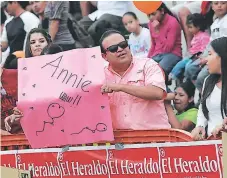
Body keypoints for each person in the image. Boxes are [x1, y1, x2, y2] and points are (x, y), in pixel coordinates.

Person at [100, 29, 170, 130]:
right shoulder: (100, 76)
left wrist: (120, 87)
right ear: (104, 56)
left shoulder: (148, 65)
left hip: (154, 139)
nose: (120, 49)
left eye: (123, 44)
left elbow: (157, 92)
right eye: (113, 48)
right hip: (119, 142)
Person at [3, 28, 52, 133]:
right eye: (33, 42)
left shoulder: (63, 67)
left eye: (41, 41)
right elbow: (28, 104)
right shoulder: (24, 72)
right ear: (29, 47)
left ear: (49, 43)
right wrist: (17, 112)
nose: (37, 44)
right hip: (36, 127)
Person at [184, 1, 227, 92]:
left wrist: (208, 58)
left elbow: (223, 44)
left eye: (223, 3)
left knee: (201, 78)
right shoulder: (215, 23)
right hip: (211, 56)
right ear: (212, 7)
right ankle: (205, 94)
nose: (219, 6)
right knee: (190, 68)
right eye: (216, 3)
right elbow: (210, 43)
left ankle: (206, 96)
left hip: (221, 58)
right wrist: (204, 56)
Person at [191, 37, 227, 140]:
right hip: (212, 143)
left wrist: (223, 127)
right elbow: (203, 109)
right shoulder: (208, 81)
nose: (206, 59)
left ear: (222, 56)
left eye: (210, 54)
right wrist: (200, 125)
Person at [169, 13, 210, 81]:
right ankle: (172, 77)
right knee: (180, 64)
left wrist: (199, 55)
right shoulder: (195, 35)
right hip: (191, 56)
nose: (188, 29)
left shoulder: (204, 36)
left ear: (198, 27)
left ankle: (189, 79)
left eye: (190, 27)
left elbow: (204, 49)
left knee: (188, 65)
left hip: (197, 57)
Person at [147, 3, 182, 75]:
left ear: (162, 11)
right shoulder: (151, 23)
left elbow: (168, 48)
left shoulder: (172, 22)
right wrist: (147, 59)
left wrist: (157, 31)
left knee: (158, 70)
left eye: (153, 14)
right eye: (148, 15)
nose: (151, 18)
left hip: (173, 54)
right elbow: (153, 44)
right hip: (157, 54)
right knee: (146, 69)